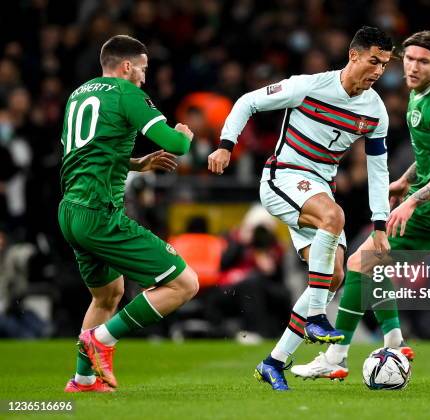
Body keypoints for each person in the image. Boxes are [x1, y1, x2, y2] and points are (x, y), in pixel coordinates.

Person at [208, 26, 393, 390]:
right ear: (353, 55)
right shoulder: (308, 86)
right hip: (283, 177)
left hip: (317, 191)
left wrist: (380, 223)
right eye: (373, 60)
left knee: (335, 275)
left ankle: (273, 362)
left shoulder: (375, 111)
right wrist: (226, 145)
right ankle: (316, 317)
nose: (378, 70)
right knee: (334, 217)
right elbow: (247, 101)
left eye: (385, 64)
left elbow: (378, 169)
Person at [292, 30, 430, 381]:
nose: (413, 66)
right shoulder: (426, 95)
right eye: (409, 58)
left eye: (424, 61)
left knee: (361, 263)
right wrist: (406, 181)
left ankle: (337, 355)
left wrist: (412, 202)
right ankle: (395, 340)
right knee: (373, 264)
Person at [59, 35, 199, 393]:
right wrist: (183, 133)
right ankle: (102, 339)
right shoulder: (126, 93)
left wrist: (138, 162)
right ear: (126, 66)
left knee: (107, 294)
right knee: (184, 283)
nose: (144, 77)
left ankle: (84, 379)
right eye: (143, 69)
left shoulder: (80, 93)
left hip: (71, 211)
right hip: (99, 212)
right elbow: (177, 145)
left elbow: (90, 154)